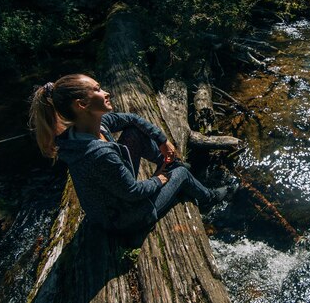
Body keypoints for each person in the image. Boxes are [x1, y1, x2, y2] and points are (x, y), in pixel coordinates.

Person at [29, 73, 233, 233]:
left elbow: (132, 119)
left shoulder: (91, 128)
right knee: (181, 174)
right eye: (98, 90)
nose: (106, 92)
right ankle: (209, 198)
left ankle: (168, 162)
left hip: (113, 202)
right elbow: (133, 193)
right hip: (124, 219)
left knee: (134, 132)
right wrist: (160, 179)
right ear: (82, 105)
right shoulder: (98, 153)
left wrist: (162, 141)